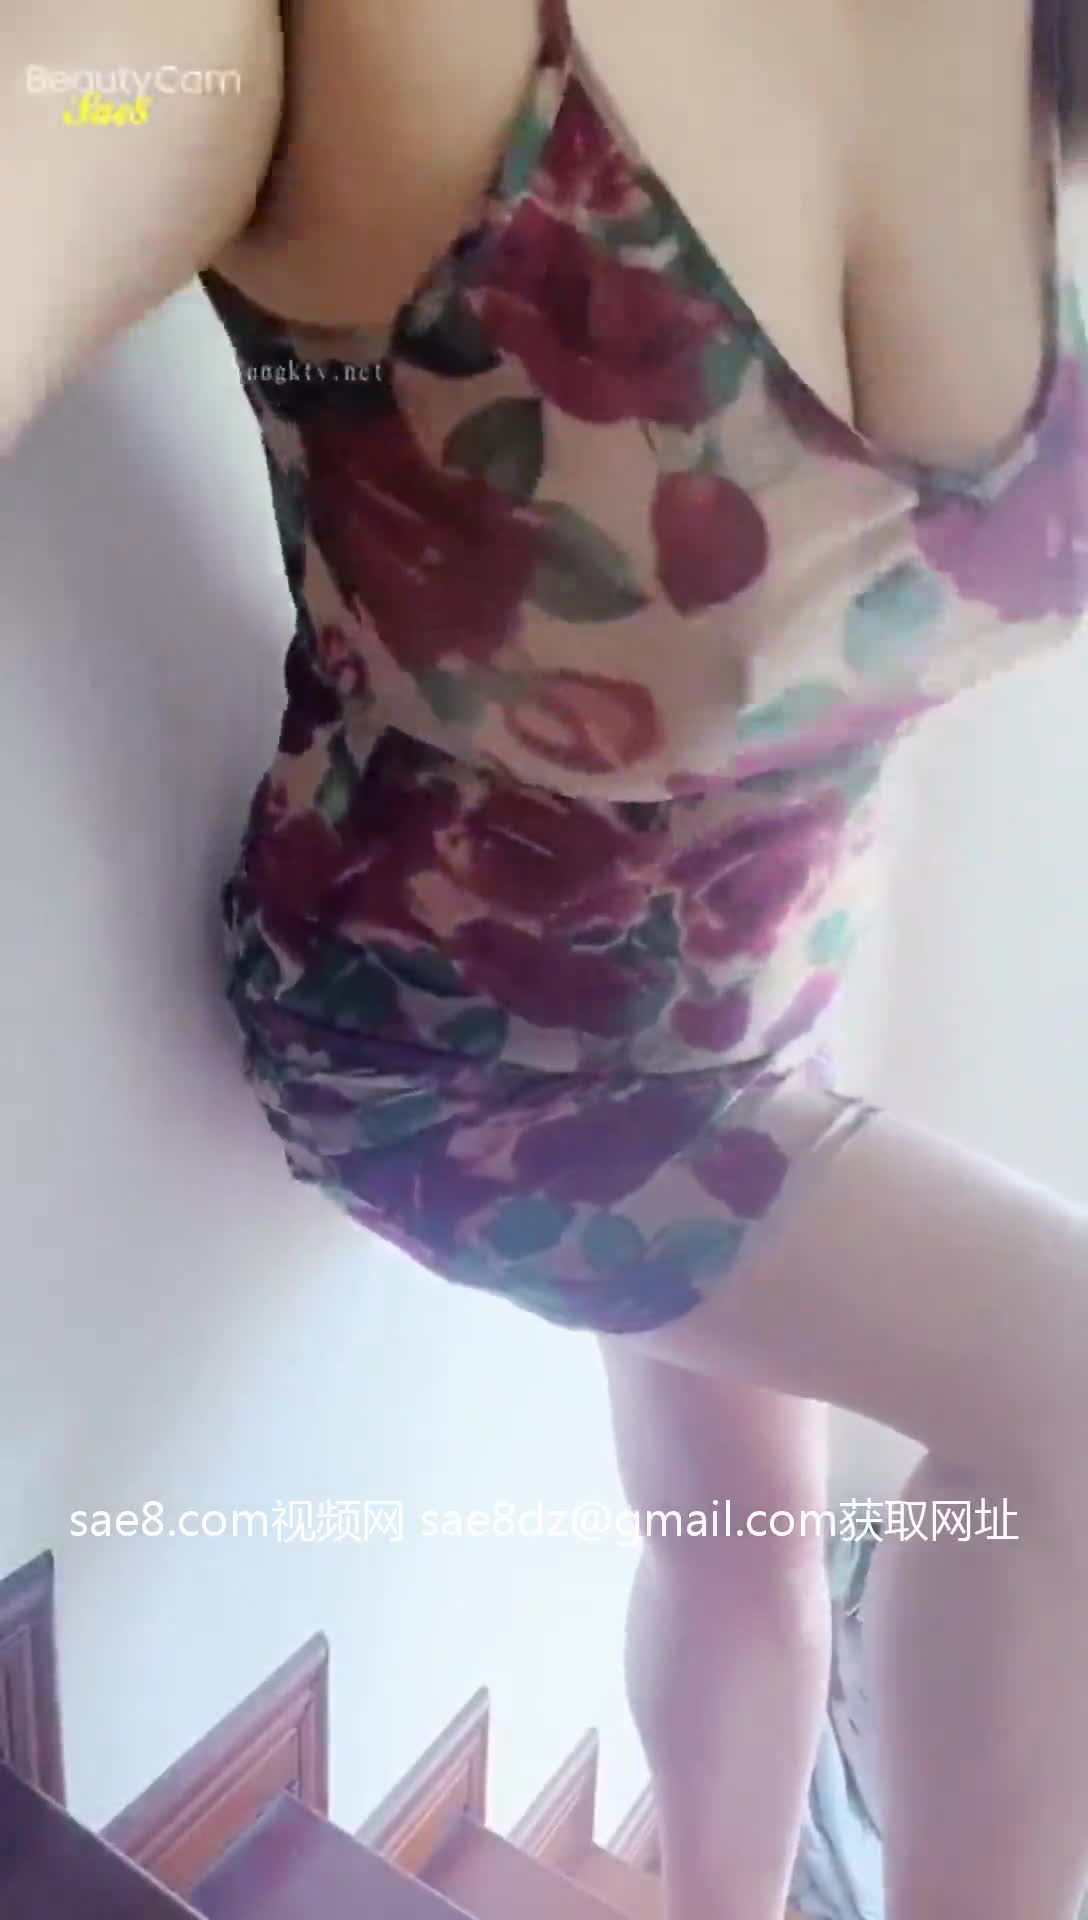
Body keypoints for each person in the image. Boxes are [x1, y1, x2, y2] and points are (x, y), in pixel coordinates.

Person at [6, 3, 1088, 1915]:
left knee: (757, 1574)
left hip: (759, 1009)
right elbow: (91, 91)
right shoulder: (407, 51)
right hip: (461, 1054)